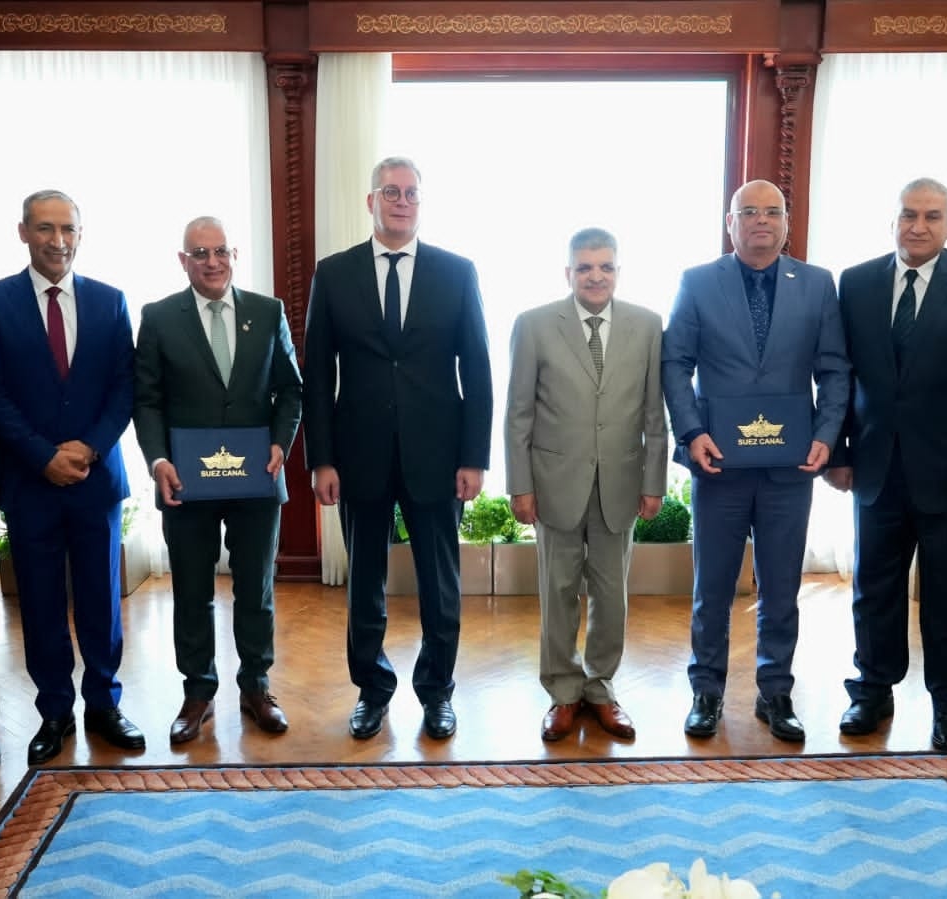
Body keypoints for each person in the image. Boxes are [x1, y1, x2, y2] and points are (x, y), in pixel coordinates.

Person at [824, 178, 947, 751]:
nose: (918, 226)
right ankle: (871, 691)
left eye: (932, 216)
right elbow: (839, 375)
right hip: (876, 471)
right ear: (892, 221)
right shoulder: (856, 282)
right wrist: (838, 453)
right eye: (909, 215)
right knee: (874, 590)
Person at [303, 156, 492, 741]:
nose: (402, 201)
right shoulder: (334, 274)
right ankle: (372, 690)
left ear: (420, 202)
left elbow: (478, 370)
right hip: (357, 457)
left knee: (440, 585)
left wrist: (474, 457)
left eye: (411, 193)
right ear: (371, 201)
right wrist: (321, 458)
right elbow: (317, 375)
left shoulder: (456, 272)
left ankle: (437, 692)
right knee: (365, 585)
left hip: (438, 457)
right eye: (391, 191)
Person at [662, 179, 851, 740]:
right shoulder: (698, 282)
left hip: (790, 467)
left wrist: (826, 435)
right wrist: (691, 432)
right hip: (718, 462)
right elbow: (675, 363)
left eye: (772, 211)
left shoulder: (817, 284)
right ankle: (706, 691)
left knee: (782, 588)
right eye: (749, 211)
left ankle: (776, 692)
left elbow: (834, 369)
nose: (761, 220)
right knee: (713, 588)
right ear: (731, 222)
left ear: (787, 222)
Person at [0, 190, 142, 764]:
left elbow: (125, 386)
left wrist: (88, 448)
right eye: (45, 228)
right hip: (30, 482)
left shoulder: (110, 301)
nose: (57, 240)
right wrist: (43, 455)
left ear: (80, 234)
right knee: (40, 604)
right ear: (23, 232)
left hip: (96, 479)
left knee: (101, 601)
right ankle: (54, 712)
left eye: (68, 228)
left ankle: (104, 705)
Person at [133, 216, 302, 742]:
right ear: (183, 260)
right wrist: (157, 460)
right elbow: (147, 399)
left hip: (256, 480)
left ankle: (256, 687)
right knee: (191, 591)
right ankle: (198, 692)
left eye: (221, 251)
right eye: (201, 253)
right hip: (186, 483)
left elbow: (291, 390)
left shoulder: (268, 312)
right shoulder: (159, 317)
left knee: (256, 589)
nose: (212, 262)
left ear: (234, 256)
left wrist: (280, 444)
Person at [504, 228, 668, 742]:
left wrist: (655, 481)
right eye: (585, 267)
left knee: (611, 594)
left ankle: (600, 689)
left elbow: (654, 413)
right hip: (554, 484)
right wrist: (520, 485)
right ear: (568, 272)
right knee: (557, 592)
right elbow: (518, 413)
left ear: (618, 271)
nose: (595, 276)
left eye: (605, 267)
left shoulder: (648, 325)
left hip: (621, 481)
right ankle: (563, 692)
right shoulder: (533, 325)